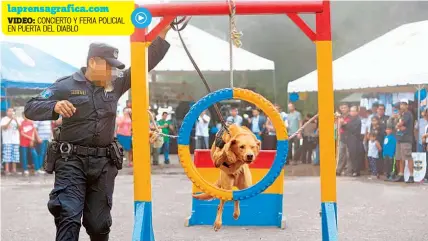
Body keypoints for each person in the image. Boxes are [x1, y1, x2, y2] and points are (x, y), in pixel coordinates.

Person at [23, 24, 171, 241]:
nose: (112, 72)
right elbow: (30, 107)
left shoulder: (116, 84)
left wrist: (164, 31)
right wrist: (54, 107)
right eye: (108, 66)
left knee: (99, 224)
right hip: (70, 162)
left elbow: (144, 63)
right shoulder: (65, 85)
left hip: (103, 164)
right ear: (92, 62)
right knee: (68, 216)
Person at [392, 99, 415, 183]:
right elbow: (395, 126)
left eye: (403, 104)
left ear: (407, 106)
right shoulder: (401, 115)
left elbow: (400, 124)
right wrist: (398, 126)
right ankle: (401, 174)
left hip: (406, 139)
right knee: (400, 157)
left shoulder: (408, 114)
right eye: (401, 104)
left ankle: (411, 176)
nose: (401, 106)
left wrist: (399, 125)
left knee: (408, 157)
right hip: (399, 138)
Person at [341, 106, 363, 176]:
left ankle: (356, 170)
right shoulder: (350, 119)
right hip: (349, 138)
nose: (351, 112)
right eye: (351, 111)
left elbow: (353, 128)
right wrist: (343, 124)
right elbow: (345, 128)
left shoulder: (358, 119)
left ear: (357, 112)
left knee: (355, 155)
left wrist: (345, 124)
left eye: (353, 111)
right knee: (351, 155)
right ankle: (352, 169)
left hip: (355, 139)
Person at [1, 107, 21, 175]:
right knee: (7, 156)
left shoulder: (17, 119)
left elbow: (20, 128)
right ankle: (7, 170)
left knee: (15, 156)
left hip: (15, 140)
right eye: (9, 111)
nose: (11, 112)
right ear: (7, 112)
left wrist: (15, 120)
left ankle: (14, 170)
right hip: (7, 141)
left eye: (12, 111)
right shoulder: (4, 119)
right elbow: (4, 127)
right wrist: (10, 120)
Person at [336, 103, 351, 175]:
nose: (343, 109)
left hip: (349, 137)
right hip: (342, 136)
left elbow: (350, 125)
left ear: (348, 108)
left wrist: (343, 122)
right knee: (341, 154)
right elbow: (339, 126)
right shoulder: (340, 117)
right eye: (342, 108)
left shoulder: (351, 116)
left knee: (348, 154)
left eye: (345, 107)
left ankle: (348, 170)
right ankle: (338, 170)